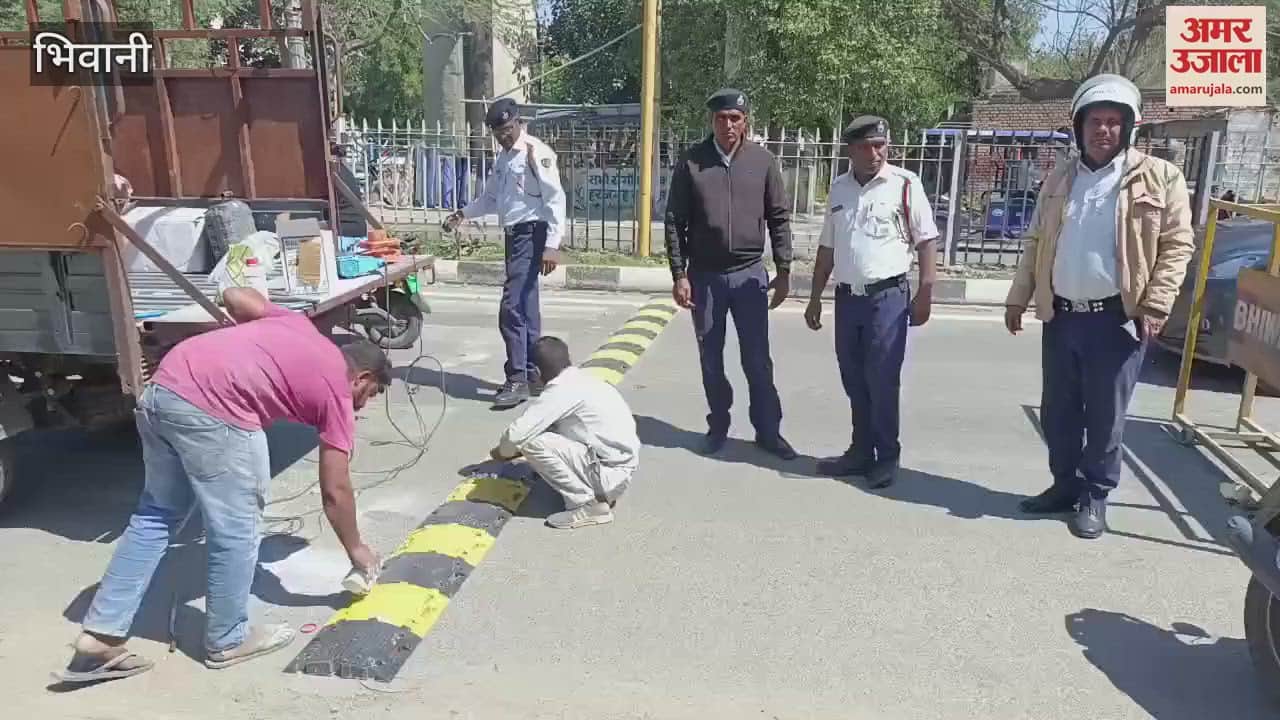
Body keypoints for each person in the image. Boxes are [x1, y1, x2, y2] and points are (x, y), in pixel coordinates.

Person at [59, 288, 390, 683]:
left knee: (157, 515)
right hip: (216, 409)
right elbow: (335, 490)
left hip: (163, 390)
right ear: (362, 377)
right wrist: (357, 550)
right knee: (238, 529)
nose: (363, 405)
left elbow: (234, 295)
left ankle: (99, 637)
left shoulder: (296, 324)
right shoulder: (337, 391)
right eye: (369, 394)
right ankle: (228, 640)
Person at [1005, 74, 1194, 539]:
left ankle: (1095, 495)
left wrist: (1156, 305)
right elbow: (1036, 240)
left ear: (1127, 127)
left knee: (1105, 417)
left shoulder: (1160, 177)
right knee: (1059, 412)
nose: (1103, 130)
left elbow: (1177, 246)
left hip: (1117, 320)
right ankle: (1064, 486)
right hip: (1062, 316)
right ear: (1079, 126)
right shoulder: (1061, 177)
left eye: (1113, 122)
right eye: (1095, 121)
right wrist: (1018, 296)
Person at [804, 115, 939, 489]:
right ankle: (860, 451)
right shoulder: (839, 188)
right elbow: (827, 247)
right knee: (853, 377)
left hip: (888, 299)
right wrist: (814, 297)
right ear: (851, 150)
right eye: (865, 147)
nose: (874, 153)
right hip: (848, 300)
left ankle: (887, 456)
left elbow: (926, 240)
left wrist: (926, 290)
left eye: (879, 145)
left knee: (882, 379)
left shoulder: (905, 184)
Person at [664, 88, 796, 460]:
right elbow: (674, 221)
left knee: (757, 359)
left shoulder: (762, 161)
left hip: (749, 275)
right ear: (712, 121)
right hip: (705, 277)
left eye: (734, 118)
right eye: (721, 118)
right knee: (711, 358)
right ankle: (718, 426)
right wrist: (679, 274)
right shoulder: (692, 162)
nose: (728, 125)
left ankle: (768, 431)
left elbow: (779, 217)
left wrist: (784, 268)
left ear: (745, 121)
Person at [445, 98, 567, 410]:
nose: (504, 136)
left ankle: (517, 378)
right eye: (498, 132)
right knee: (526, 306)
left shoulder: (535, 152)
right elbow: (490, 199)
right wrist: (463, 214)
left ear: (518, 122)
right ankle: (534, 373)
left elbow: (555, 199)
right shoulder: (503, 159)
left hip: (532, 233)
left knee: (511, 308)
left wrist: (552, 244)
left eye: (508, 129)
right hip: (515, 236)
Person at [490, 336, 640, 530]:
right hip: (620, 473)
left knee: (530, 442)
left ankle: (586, 505)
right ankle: (593, 492)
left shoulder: (560, 390)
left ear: (536, 371)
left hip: (606, 479)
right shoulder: (586, 380)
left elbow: (515, 436)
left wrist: (500, 453)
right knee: (548, 428)